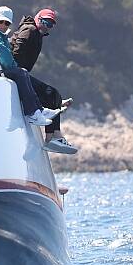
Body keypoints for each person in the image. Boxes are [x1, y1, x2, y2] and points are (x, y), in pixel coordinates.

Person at [0, 6, 59, 129]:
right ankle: (33, 112)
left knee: (21, 72)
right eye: (1, 22)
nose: (4, 25)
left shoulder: (0, 35)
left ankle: (38, 110)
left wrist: (17, 69)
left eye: (7, 23)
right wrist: (17, 69)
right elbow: (6, 58)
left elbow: (7, 57)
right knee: (20, 73)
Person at [11, 9, 77, 155]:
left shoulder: (36, 33)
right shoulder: (30, 29)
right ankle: (55, 138)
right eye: (44, 21)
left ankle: (51, 138)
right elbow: (16, 50)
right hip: (17, 74)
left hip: (21, 73)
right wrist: (16, 71)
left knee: (53, 95)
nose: (46, 25)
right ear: (37, 18)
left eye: (50, 24)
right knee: (51, 94)